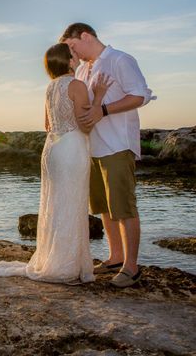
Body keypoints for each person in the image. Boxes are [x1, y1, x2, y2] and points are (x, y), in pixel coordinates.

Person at [0, 43, 110, 284]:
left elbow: (47, 125)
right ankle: (66, 266)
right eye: (74, 55)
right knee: (71, 203)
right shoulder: (77, 85)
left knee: (56, 204)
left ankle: (58, 260)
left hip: (53, 149)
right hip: (72, 149)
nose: (78, 57)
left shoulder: (50, 88)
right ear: (69, 61)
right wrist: (100, 96)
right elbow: (85, 124)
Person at [59, 22, 154, 288]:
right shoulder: (84, 68)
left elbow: (140, 95)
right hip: (93, 146)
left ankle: (131, 267)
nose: (72, 54)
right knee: (103, 206)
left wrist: (105, 110)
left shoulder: (119, 59)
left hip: (117, 145)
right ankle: (115, 257)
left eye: (72, 46)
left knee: (123, 206)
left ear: (85, 36)